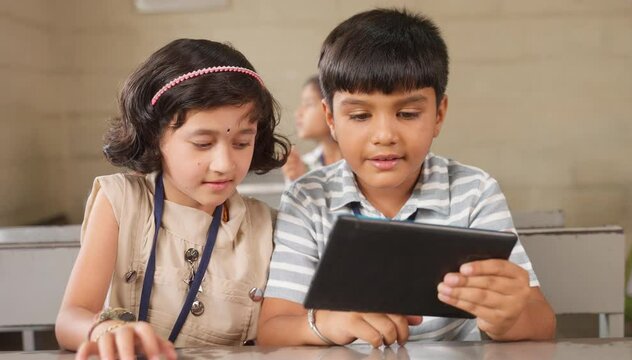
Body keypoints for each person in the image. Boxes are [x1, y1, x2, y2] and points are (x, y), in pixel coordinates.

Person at [257, 9, 556, 347]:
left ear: (439, 114)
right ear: (331, 118)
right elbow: (272, 330)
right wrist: (325, 325)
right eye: (359, 115)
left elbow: (541, 323)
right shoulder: (308, 197)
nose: (384, 135)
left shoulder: (474, 191)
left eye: (408, 113)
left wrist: (509, 317)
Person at [55, 38, 290, 359]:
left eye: (241, 143)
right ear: (155, 136)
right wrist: (107, 330)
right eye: (203, 143)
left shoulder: (269, 225)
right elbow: (71, 318)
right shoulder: (120, 201)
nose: (224, 164)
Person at [282, 76, 341, 181]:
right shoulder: (303, 165)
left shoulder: (360, 161)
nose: (298, 113)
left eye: (308, 104)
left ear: (331, 109)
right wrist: (298, 180)